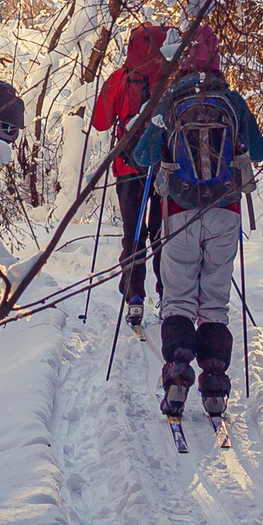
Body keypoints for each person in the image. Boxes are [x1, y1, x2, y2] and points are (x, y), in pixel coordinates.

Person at [126, 26, 263, 421]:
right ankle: (216, 389)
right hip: (226, 211)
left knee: (179, 300)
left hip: (179, 212)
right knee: (215, 303)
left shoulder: (169, 101)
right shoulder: (232, 101)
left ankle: (176, 379)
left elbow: (142, 157)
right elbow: (259, 150)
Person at [89, 23, 170, 329]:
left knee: (133, 234)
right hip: (165, 169)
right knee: (162, 234)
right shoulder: (170, 78)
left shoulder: (120, 79)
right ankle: (167, 293)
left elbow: (100, 122)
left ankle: (134, 297)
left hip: (128, 167)